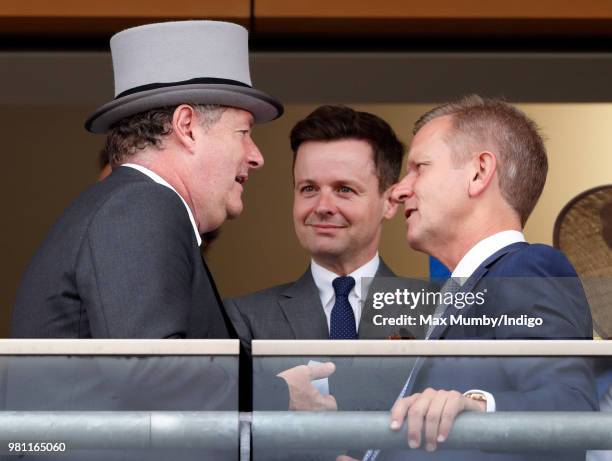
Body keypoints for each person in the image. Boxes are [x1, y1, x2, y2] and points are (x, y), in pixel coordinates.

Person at [339, 96, 598, 461]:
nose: (399, 190)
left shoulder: (526, 268)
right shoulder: (455, 297)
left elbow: (570, 411)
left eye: (420, 168)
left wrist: (476, 406)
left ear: (479, 172)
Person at [11, 20, 283, 339]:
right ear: (187, 127)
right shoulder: (141, 206)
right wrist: (273, 391)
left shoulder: (129, 205)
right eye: (244, 132)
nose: (256, 156)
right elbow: (152, 380)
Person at [225, 105, 409, 414]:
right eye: (308, 188)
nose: (323, 206)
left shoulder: (435, 312)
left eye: (344, 189)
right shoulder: (245, 319)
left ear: (389, 203)